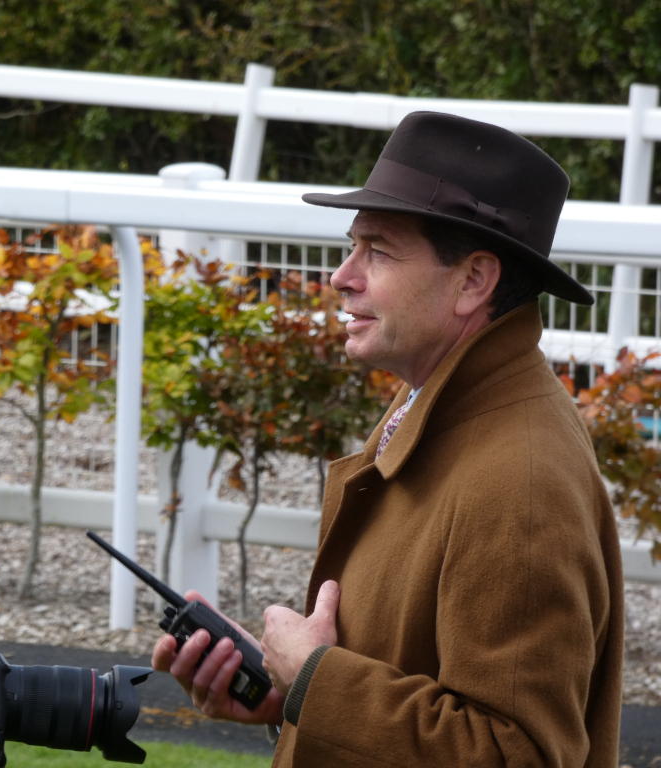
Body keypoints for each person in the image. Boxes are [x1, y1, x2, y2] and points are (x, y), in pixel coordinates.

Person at [152, 111, 624, 767]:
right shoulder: (437, 404)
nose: (342, 276)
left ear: (473, 281)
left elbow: (515, 752)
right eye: (353, 247)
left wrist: (316, 678)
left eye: (378, 250)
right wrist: (285, 695)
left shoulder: (519, 479)